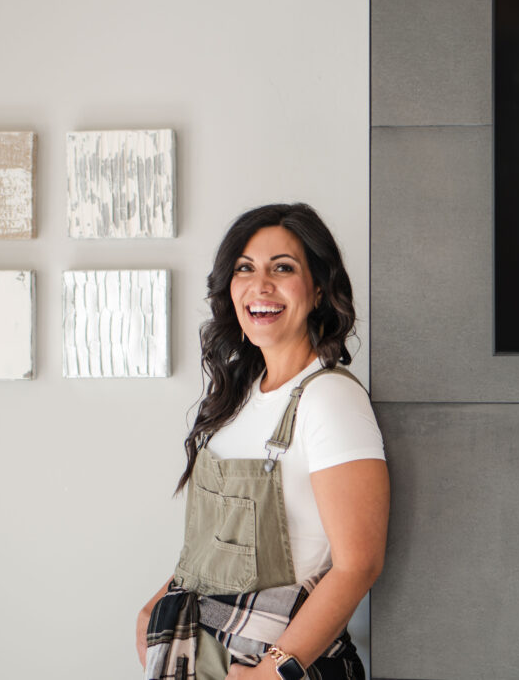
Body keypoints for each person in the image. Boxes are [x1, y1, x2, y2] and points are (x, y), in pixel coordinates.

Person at [136, 204, 389, 680]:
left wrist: (273, 673)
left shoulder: (329, 399)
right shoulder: (236, 397)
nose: (260, 285)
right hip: (193, 659)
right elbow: (210, 547)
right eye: (244, 269)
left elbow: (359, 564)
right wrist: (151, 616)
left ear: (317, 289)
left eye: (283, 268)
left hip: (264, 666)